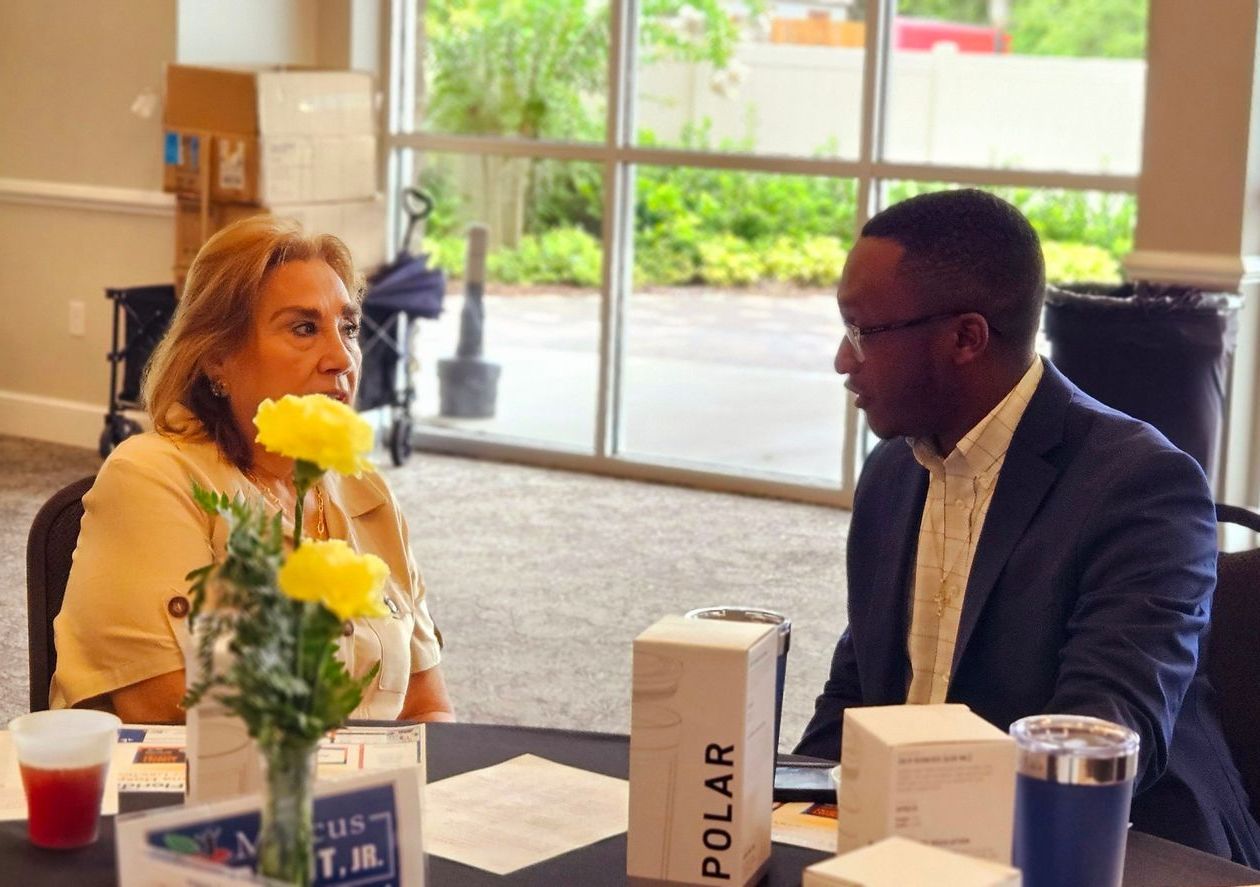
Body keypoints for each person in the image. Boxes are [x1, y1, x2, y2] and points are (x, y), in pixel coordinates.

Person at [795, 188, 1260, 865]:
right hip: (911, 845)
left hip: (1106, 850)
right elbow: (858, 691)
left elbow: (1098, 740)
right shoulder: (892, 473)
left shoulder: (1140, 486)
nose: (844, 359)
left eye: (862, 330)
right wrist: (784, 809)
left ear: (965, 337)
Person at [50, 215, 455, 725]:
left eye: (348, 327)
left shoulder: (364, 492)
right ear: (218, 357)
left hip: (361, 796)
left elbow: (428, 706)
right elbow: (167, 708)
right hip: (209, 795)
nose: (341, 357)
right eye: (304, 328)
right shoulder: (151, 477)